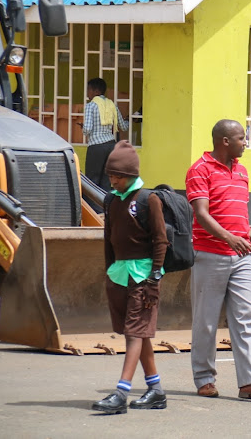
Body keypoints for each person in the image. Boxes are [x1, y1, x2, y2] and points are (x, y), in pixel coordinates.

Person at [186, 119, 251, 400]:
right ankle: (204, 379)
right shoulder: (199, 170)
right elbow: (201, 214)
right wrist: (229, 238)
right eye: (241, 138)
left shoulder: (242, 171)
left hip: (241, 257)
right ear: (224, 141)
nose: (245, 142)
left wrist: (239, 240)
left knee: (246, 318)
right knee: (206, 321)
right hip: (210, 255)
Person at [92, 141, 169, 414]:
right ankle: (156, 390)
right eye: (111, 175)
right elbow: (108, 239)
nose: (114, 180)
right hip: (119, 275)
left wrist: (154, 278)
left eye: (119, 176)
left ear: (133, 174)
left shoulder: (149, 200)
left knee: (134, 333)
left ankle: (121, 393)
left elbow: (161, 242)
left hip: (143, 277)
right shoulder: (111, 200)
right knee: (139, 333)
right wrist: (109, 271)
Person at [82, 78, 129, 192]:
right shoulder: (112, 105)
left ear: (95, 91)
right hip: (111, 146)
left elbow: (87, 129)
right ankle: (104, 207)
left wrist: (82, 128)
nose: (88, 93)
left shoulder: (91, 106)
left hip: (96, 147)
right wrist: (130, 119)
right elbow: (123, 126)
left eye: (88, 90)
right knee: (106, 181)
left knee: (92, 181)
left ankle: (92, 209)